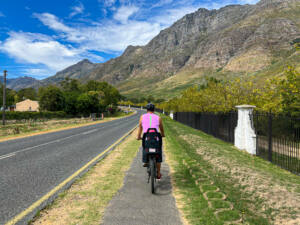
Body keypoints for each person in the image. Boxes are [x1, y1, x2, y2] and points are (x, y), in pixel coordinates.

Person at [136, 103, 165, 179]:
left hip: (146, 138)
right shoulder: (158, 117)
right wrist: (163, 134)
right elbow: (161, 128)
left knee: (145, 147)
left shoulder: (142, 117)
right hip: (156, 139)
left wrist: (138, 137)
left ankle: (146, 160)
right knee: (158, 154)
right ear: (154, 110)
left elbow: (140, 128)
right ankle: (158, 173)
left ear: (147, 110)